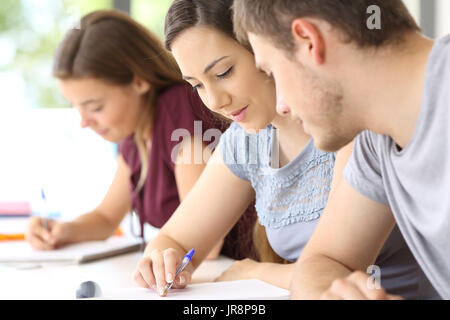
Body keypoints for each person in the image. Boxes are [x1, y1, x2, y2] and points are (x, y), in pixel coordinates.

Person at [131, 0, 433, 300]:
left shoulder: (352, 121)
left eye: (223, 72)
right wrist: (161, 260)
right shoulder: (248, 140)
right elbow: (327, 264)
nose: (214, 101)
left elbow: (342, 272)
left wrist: (254, 272)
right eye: (196, 85)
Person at [233, 0, 447, 299]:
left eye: (272, 72)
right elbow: (325, 261)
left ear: (309, 40)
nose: (281, 104)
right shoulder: (374, 139)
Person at [24, 9, 259, 262]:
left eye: (95, 107)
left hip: (238, 273)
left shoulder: (177, 108)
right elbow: (105, 218)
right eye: (76, 106)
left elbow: (205, 243)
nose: (83, 121)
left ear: (138, 82)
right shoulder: (135, 132)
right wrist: (60, 231)